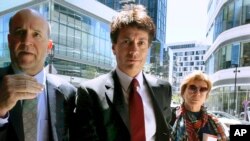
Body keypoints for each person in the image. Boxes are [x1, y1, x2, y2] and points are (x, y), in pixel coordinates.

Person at [74, 5, 172, 141]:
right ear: (114, 48)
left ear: (148, 48)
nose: (134, 50)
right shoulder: (90, 92)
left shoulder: (163, 89)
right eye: (127, 42)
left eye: (141, 43)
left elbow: (164, 134)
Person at [0, 9, 77, 141]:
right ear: (9, 40)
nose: (26, 41)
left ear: (49, 46)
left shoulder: (69, 94)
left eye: (36, 34)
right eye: (20, 32)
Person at [171, 70, 227, 141]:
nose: (197, 93)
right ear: (183, 92)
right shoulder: (170, 117)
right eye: (192, 88)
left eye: (203, 89)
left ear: (206, 95)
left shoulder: (213, 122)